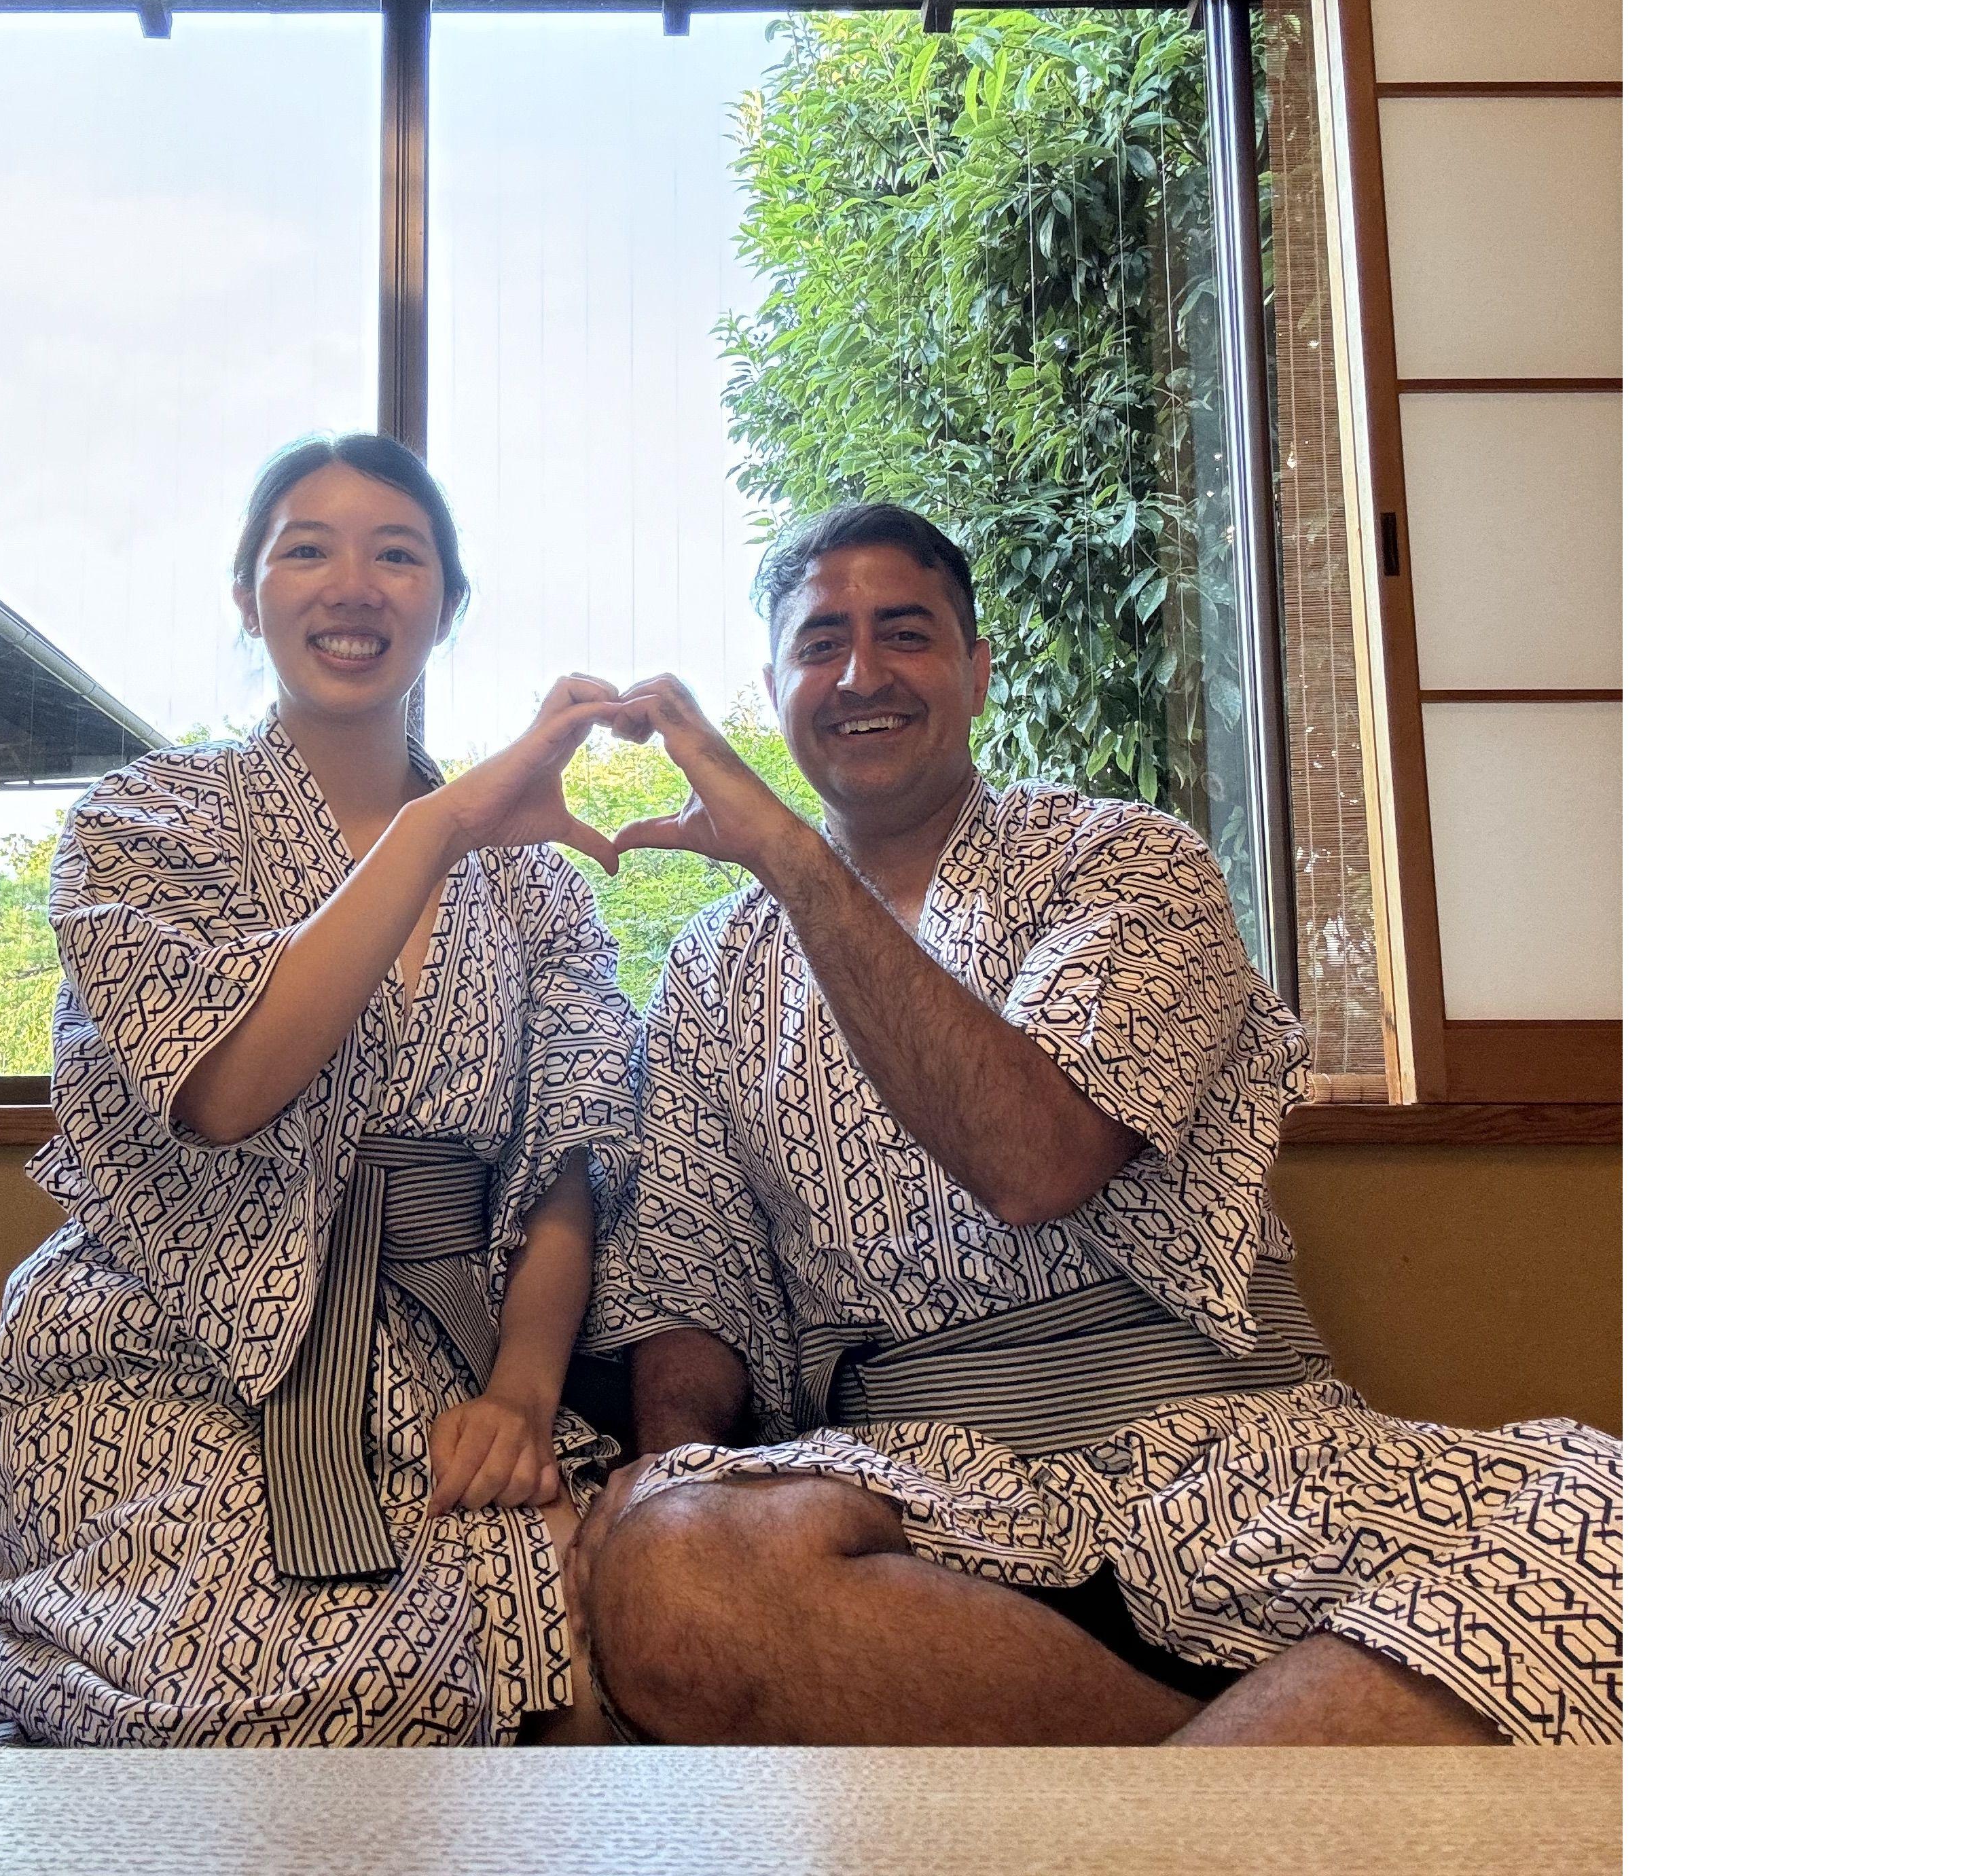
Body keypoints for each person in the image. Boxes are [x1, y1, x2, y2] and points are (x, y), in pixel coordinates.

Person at [568, 501, 1621, 1746]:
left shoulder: (1128, 861)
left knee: (1612, 1532)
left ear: (976, 670)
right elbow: (688, 1283)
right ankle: (1273, 1774)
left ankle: (1148, 1813)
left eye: (904, 633)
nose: (860, 676)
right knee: (673, 1575)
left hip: (1238, 1460)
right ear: (774, 688)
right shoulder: (709, 972)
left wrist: (797, 862)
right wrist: (676, 1465)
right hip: (913, 1506)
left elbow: (1035, 1158)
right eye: (820, 645)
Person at [0, 435, 641, 1745]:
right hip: (160, 1347)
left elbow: (570, 1155)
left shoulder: (538, 883)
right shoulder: (143, 823)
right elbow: (228, 1089)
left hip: (440, 1367)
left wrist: (519, 1395)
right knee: (263, 1708)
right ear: (247, 593)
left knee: (587, 1658)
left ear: (447, 603)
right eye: (307, 550)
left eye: (399, 556)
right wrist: (440, 825)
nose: (354, 585)